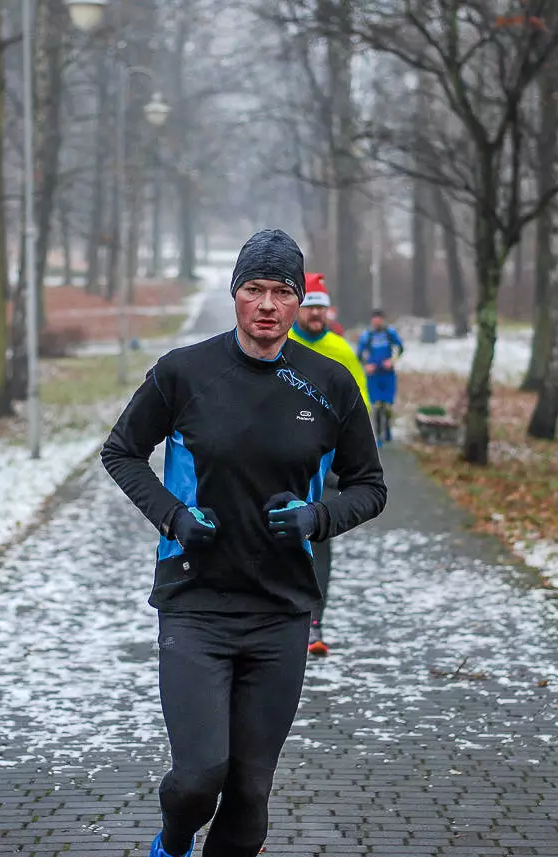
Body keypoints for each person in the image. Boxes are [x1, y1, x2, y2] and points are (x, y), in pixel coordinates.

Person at [101, 229, 387, 857]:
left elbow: (369, 486)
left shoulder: (331, 382)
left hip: (281, 609)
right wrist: (173, 517)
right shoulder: (184, 372)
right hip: (195, 603)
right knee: (200, 778)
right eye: (253, 289)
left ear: (299, 299)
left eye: (282, 291)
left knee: (250, 794)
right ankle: (173, 842)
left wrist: (317, 518)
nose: (267, 304)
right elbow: (121, 452)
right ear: (235, 296)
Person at [287, 272, 370, 657]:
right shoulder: (281, 345)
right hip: (282, 462)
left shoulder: (341, 350)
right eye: (309, 308)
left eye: (320, 308)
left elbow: (360, 407)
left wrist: (354, 458)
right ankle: (280, 616)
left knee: (319, 540)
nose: (315, 314)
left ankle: (314, 619)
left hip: (327, 465)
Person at [356, 308, 405, 447]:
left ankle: (388, 429)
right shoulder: (367, 335)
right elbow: (359, 353)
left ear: (383, 319)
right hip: (374, 375)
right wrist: (366, 365)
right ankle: (378, 436)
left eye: (379, 318)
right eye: (374, 318)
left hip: (388, 374)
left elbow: (400, 348)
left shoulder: (390, 333)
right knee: (376, 405)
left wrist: (392, 361)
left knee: (387, 406)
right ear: (372, 320)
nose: (377, 321)